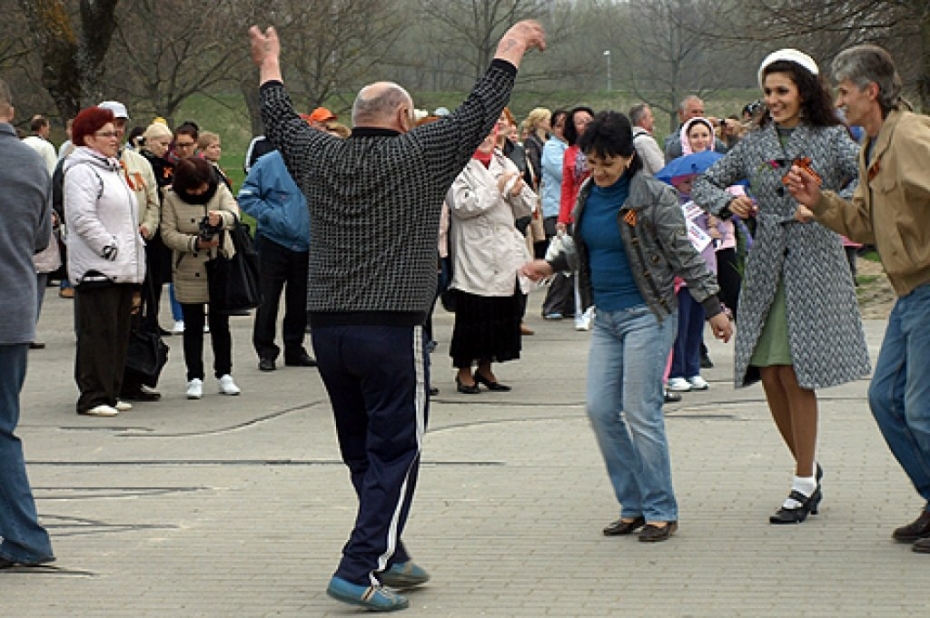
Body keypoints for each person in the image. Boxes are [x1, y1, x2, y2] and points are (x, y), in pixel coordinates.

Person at [250, 19, 546, 611]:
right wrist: (511, 45)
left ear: (356, 117)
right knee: (397, 450)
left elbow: (277, 116)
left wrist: (270, 60)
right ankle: (359, 567)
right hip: (391, 329)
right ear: (405, 117)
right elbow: (481, 106)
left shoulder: (317, 152)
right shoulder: (423, 153)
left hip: (328, 329)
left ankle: (392, 552)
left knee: (362, 448)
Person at [521, 111, 732, 543]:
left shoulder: (653, 197)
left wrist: (713, 306)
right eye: (592, 162)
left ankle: (660, 510)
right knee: (600, 410)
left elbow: (683, 253)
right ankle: (632, 504)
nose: (598, 171)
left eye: (608, 163)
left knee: (641, 411)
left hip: (648, 314)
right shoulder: (587, 193)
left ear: (627, 157)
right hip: (607, 318)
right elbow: (582, 247)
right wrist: (550, 264)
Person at [692, 48, 870, 524]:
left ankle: (802, 481)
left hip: (814, 263)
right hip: (767, 265)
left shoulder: (830, 137)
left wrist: (826, 204)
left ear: (803, 92)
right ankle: (808, 467)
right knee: (769, 373)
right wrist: (729, 205)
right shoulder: (754, 143)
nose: (773, 100)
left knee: (795, 372)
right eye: (768, 91)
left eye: (782, 91)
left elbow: (865, 179)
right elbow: (705, 183)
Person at [786, 44, 930, 552]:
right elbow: (864, 224)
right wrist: (819, 201)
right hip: (908, 295)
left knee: (920, 409)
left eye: (845, 91)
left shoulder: (911, 137)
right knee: (884, 400)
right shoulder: (872, 145)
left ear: (871, 91)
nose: (839, 101)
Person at [0, 78, 56, 569]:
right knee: (3, 428)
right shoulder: (32, 161)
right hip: (15, 307)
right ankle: (23, 536)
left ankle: (25, 536)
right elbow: (40, 238)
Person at [64, 106, 147, 417]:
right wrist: (109, 248)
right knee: (98, 335)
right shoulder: (81, 171)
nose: (115, 138)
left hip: (123, 268)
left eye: (116, 133)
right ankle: (93, 396)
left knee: (117, 334)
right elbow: (82, 217)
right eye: (107, 134)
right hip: (98, 268)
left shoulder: (112, 169)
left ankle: (111, 391)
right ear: (88, 138)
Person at [448, 124, 536, 394]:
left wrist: (517, 193)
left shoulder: (504, 162)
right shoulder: (459, 166)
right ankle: (464, 371)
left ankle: (486, 368)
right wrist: (497, 188)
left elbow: (528, 206)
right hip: (476, 250)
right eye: (481, 134)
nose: (486, 139)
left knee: (500, 314)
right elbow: (462, 205)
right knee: (474, 313)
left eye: (490, 134)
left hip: (504, 249)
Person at [160, 157, 242, 400]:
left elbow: (234, 214)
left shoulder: (220, 190)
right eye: (192, 189)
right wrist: (194, 242)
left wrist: (221, 219)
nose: (198, 192)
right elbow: (167, 233)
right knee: (193, 326)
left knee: (220, 324)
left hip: (218, 265)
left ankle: (224, 373)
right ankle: (194, 376)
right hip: (188, 267)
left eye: (201, 187)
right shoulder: (171, 198)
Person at [238, 147, 316, 372]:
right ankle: (266, 351)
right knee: (268, 299)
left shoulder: (316, 160)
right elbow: (247, 197)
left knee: (300, 300)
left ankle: (295, 348)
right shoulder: (267, 163)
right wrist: (272, 216)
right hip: (274, 241)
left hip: (307, 243)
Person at [557, 105, 596, 331]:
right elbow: (566, 187)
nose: (585, 125)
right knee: (580, 265)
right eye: (580, 122)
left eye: (588, 120)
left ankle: (598, 308)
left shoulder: (601, 148)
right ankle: (582, 311)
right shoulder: (569, 153)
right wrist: (562, 218)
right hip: (576, 212)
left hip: (598, 208)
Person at [663, 95, 728, 162]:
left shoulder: (711, 137)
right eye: (694, 112)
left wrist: (729, 133)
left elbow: (726, 152)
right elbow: (672, 151)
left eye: (701, 112)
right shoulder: (670, 140)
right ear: (681, 114)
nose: (699, 116)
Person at [629, 103, 664, 175]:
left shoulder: (630, 139)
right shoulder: (646, 141)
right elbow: (660, 169)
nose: (653, 120)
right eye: (651, 116)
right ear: (643, 121)